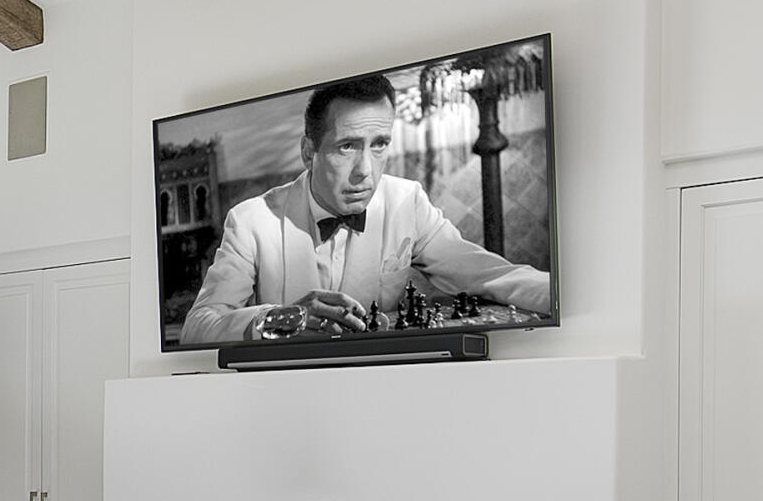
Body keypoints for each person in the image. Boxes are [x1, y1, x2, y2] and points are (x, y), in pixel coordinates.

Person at [179, 72, 550, 346]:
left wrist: (569, 296)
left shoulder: (407, 202)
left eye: (380, 144)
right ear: (309, 152)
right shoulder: (251, 221)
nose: (366, 172)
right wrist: (283, 318)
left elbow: (493, 276)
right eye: (347, 146)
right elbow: (197, 328)